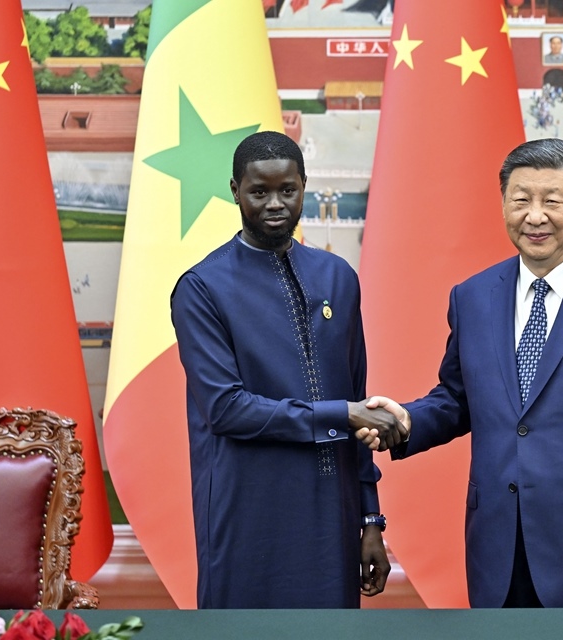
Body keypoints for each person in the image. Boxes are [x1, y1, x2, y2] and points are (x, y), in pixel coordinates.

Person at [363, 138, 563, 607]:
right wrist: (408, 420)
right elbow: (458, 398)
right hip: (499, 546)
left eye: (551, 201)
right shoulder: (473, 297)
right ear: (503, 205)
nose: (535, 216)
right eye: (521, 201)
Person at [170, 130, 406, 609]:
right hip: (247, 514)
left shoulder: (339, 277)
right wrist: (343, 414)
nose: (275, 204)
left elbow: (357, 399)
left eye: (287, 190)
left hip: (334, 514)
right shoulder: (201, 288)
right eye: (259, 191)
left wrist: (370, 520)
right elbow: (226, 409)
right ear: (235, 190)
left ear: (304, 187)